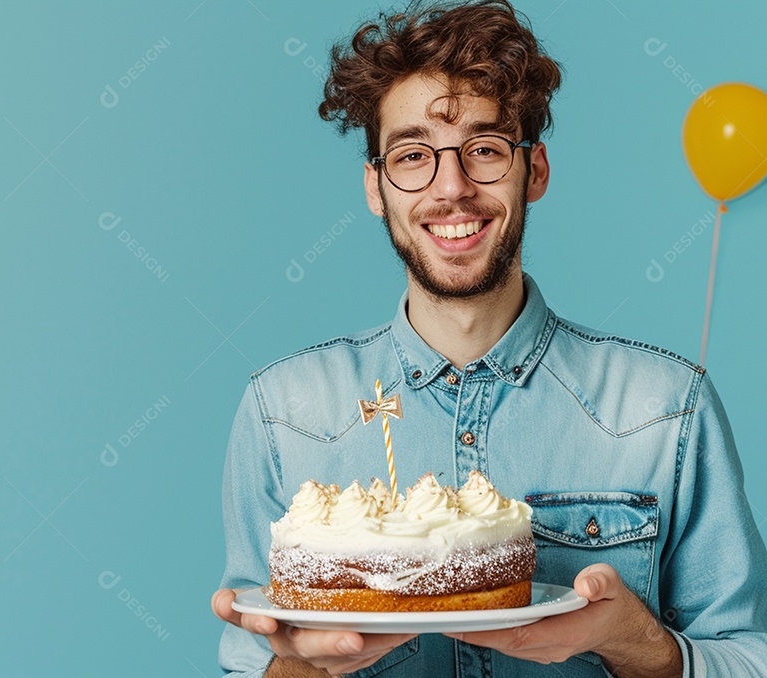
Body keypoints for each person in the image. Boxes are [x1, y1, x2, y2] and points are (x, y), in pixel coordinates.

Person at [209, 1, 767, 676]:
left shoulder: (666, 408)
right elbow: (249, 662)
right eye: (414, 155)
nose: (452, 188)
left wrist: (632, 640)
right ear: (375, 187)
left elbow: (747, 656)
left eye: (484, 149)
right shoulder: (283, 413)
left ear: (534, 171)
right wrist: (306, 665)